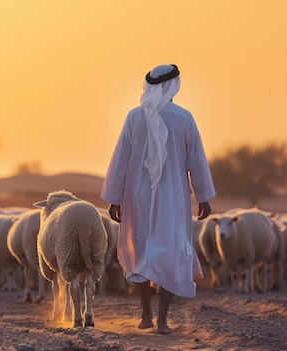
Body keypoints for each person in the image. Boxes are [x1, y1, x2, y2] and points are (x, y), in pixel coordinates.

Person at [100, 64, 215, 334]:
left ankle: (146, 316)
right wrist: (204, 197)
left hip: (136, 197)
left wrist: (115, 197)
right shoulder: (184, 118)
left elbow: (121, 161)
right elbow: (196, 161)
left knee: (140, 250)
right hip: (173, 199)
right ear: (174, 86)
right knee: (171, 251)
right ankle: (162, 320)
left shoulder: (134, 117)